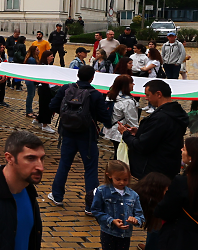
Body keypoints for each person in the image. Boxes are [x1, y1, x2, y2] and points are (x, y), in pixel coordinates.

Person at [119, 79, 189, 250]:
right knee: (159, 209)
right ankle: (156, 247)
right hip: (167, 165)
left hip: (155, 169)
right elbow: (159, 137)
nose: (146, 98)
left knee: (155, 211)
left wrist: (126, 136)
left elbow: (143, 146)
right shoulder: (175, 113)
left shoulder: (161, 117)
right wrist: (140, 131)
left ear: (159, 94)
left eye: (148, 95)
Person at [46, 65, 113, 211]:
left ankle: (57, 196)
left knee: (64, 164)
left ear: (77, 75)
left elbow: (53, 105)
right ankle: (91, 205)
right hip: (87, 137)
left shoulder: (65, 89)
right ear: (92, 78)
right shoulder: (95, 94)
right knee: (90, 169)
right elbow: (105, 117)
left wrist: (67, 116)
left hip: (68, 133)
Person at [102, 75, 138, 157]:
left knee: (117, 151)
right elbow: (132, 119)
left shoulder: (110, 96)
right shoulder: (128, 102)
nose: (133, 85)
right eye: (131, 83)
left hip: (111, 129)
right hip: (121, 132)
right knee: (121, 155)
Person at [34, 51, 57, 133]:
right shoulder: (44, 67)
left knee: (44, 106)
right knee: (47, 107)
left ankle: (38, 119)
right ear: (47, 57)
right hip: (45, 89)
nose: (53, 57)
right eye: (51, 56)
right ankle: (45, 124)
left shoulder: (47, 66)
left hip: (45, 89)